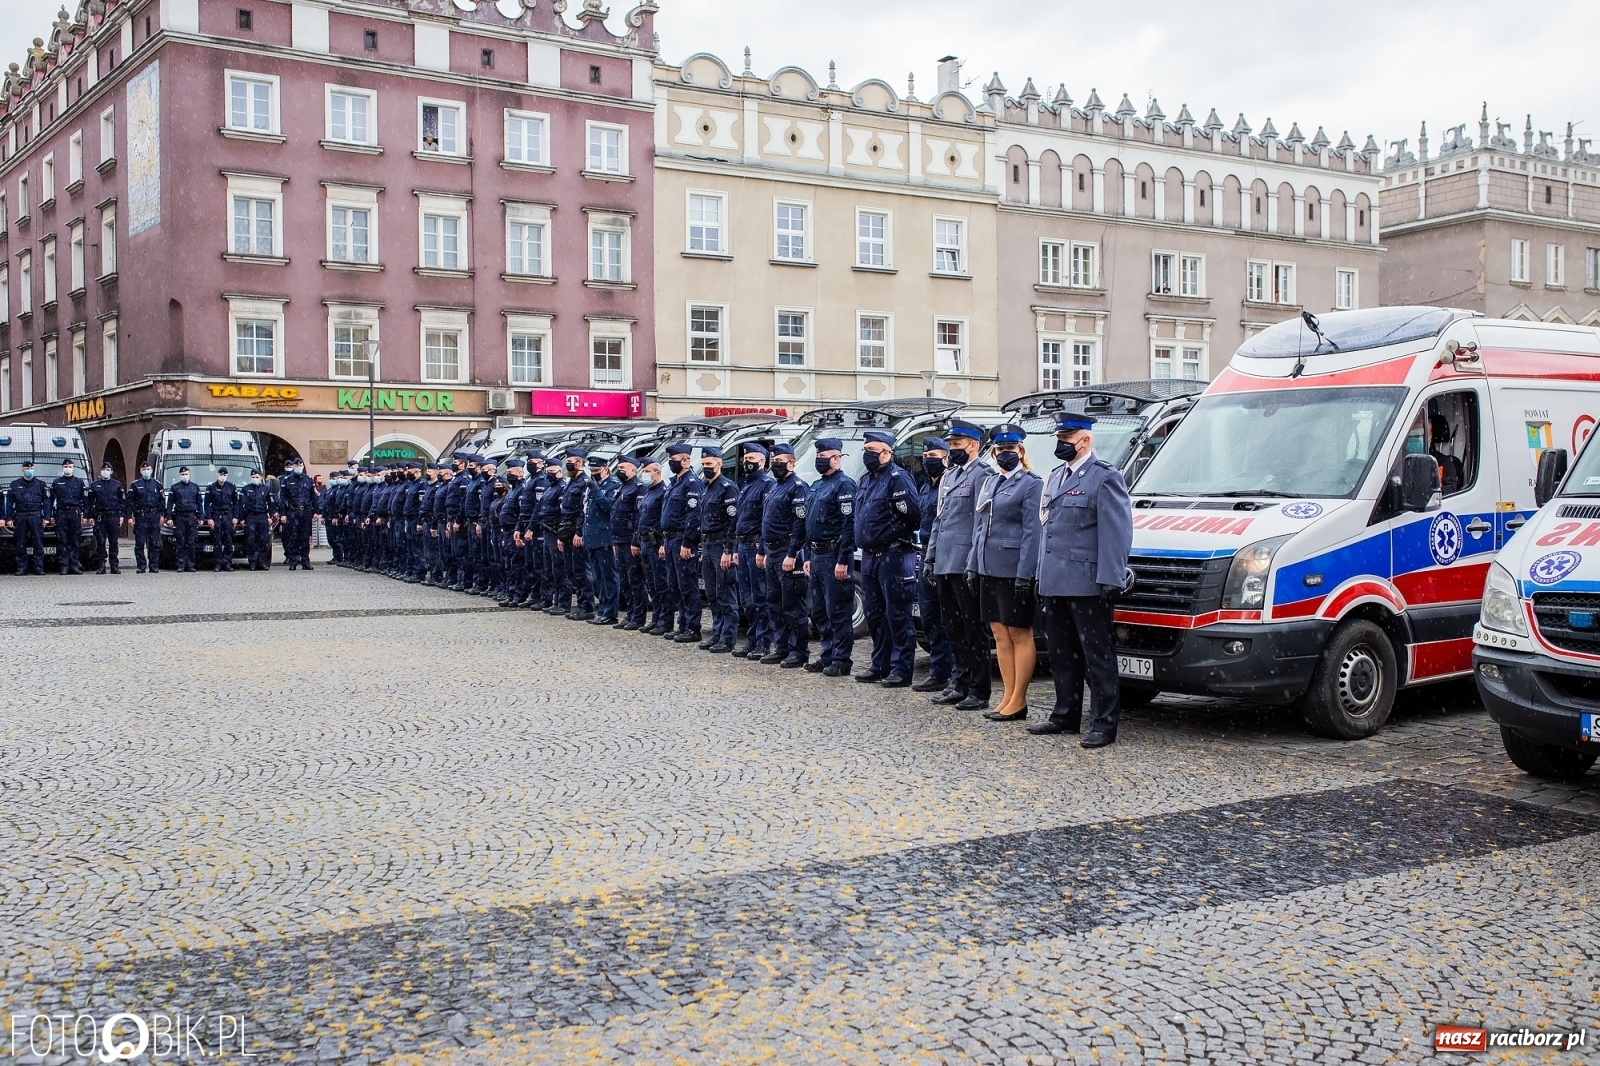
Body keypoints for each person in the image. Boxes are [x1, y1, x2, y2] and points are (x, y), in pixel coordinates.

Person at [1030, 413, 1134, 749]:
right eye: (1059, 439)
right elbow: (1049, 531)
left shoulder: (1104, 478)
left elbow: (1116, 532)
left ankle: (1104, 723)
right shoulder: (1057, 475)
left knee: (1097, 656)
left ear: (1085, 440)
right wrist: (1040, 575)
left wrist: (1111, 577)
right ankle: (1065, 713)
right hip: (1056, 580)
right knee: (1062, 653)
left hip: (1088, 582)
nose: (1061, 445)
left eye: (1066, 439)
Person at [966, 425, 1044, 722]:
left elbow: (1031, 533)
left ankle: (1019, 700)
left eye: (1010, 449)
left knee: (1019, 634)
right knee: (999, 634)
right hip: (989, 567)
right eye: (999, 450)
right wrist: (974, 565)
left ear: (1020, 452)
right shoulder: (991, 482)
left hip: (1014, 569)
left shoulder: (1031, 484)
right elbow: (979, 528)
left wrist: (1026, 573)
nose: (1004, 455)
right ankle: (1007, 696)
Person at [926, 420, 994, 710]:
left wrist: (974, 563)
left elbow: (981, 523)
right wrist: (930, 557)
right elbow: (939, 521)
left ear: (973, 446)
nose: (952, 450)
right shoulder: (949, 476)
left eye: (957, 445)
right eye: (951, 445)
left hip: (964, 562)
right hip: (944, 560)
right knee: (952, 627)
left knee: (973, 629)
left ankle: (979, 689)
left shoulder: (983, 475)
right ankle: (960, 681)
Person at [852, 430, 922, 687]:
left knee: (898, 614)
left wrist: (892, 533)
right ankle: (879, 664)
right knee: (874, 614)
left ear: (886, 452)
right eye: (865, 449)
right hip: (870, 556)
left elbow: (914, 515)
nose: (867, 454)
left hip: (894, 554)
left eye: (872, 449)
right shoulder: (866, 480)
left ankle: (901, 669)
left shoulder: (898, 479)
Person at [802, 437, 857, 677]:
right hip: (816, 555)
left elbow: (849, 525)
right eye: (818, 457)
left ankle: (841, 659)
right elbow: (809, 523)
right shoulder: (817, 485)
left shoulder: (844, 485)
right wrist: (806, 555)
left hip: (834, 554)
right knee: (820, 611)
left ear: (836, 458)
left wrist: (844, 559)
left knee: (838, 611)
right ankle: (827, 655)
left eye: (823, 457)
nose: (819, 461)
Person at [759, 442, 810, 667]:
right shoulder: (774, 487)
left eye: (779, 462)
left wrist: (792, 553)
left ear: (791, 463)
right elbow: (766, 522)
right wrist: (762, 550)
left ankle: (798, 651)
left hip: (787, 550)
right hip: (772, 550)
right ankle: (781, 647)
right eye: (774, 462)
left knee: (792, 605)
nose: (775, 466)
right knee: (774, 602)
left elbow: (800, 524)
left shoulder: (797, 487)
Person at [913, 438, 954, 693]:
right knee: (930, 617)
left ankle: (952, 672)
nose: (928, 459)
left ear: (946, 458)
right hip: (925, 552)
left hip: (946, 553)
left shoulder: (949, 484)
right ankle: (938, 671)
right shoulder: (926, 487)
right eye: (925, 454)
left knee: (948, 617)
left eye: (933, 454)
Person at [732, 443, 776, 658]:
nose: (746, 462)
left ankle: (763, 642)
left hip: (756, 546)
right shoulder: (746, 485)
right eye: (745, 458)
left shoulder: (767, 485)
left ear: (762, 461)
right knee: (746, 599)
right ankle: (752, 639)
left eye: (751, 459)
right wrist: (734, 548)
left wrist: (761, 549)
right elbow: (738, 520)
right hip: (742, 545)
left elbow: (765, 521)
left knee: (760, 598)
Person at [695, 445, 740, 652]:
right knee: (712, 594)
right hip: (706, 544)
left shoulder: (727, 487)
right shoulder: (707, 487)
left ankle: (728, 637)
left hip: (721, 545)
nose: (706, 468)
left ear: (719, 464)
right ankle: (717, 632)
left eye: (709, 464)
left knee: (725, 593)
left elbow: (733, 521)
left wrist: (728, 550)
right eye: (703, 464)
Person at [660, 443, 703, 643]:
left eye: (674, 460)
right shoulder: (674, 482)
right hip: (669, 539)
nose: (671, 463)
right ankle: (683, 623)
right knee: (674, 584)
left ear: (686, 460)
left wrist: (687, 542)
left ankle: (693, 627)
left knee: (687, 584)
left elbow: (693, 516)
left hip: (681, 540)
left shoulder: (691, 483)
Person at [581, 453, 622, 625]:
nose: (594, 473)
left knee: (609, 577)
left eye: (597, 469)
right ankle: (603, 608)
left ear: (605, 469)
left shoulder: (612, 486)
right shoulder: (593, 487)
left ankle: (611, 612)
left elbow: (608, 507)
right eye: (591, 470)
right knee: (597, 577)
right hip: (592, 538)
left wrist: (596, 489)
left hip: (605, 539)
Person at [610, 455, 648, 629]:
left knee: (635, 580)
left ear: (633, 470)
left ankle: (638, 616)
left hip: (630, 541)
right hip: (619, 540)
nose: (620, 471)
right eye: (619, 468)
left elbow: (639, 516)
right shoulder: (622, 488)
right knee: (625, 580)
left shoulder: (638, 489)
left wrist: (635, 541)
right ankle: (630, 614)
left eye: (623, 468)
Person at [635, 459, 672, 635]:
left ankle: (665, 621)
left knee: (661, 584)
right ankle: (656, 618)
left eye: (648, 471)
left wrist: (663, 544)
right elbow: (641, 518)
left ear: (657, 473)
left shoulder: (662, 492)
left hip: (656, 543)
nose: (644, 474)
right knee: (651, 584)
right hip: (644, 542)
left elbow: (664, 521)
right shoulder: (649, 492)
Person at [558, 450, 593, 619]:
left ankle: (587, 606)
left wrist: (579, 532)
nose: (567, 465)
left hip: (577, 532)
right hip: (568, 531)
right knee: (572, 571)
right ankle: (580, 603)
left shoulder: (584, 482)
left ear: (579, 463)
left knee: (581, 571)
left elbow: (583, 511)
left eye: (570, 461)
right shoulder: (571, 482)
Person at [8, 460, 50, 575]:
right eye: (27, 469)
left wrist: (46, 517)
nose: (29, 471)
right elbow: (9, 503)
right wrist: (9, 518)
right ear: (22, 470)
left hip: (35, 516)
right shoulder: (15, 484)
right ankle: (22, 567)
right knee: (21, 543)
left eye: (31, 469)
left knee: (38, 542)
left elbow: (46, 502)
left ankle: (38, 567)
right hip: (20, 516)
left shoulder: (41, 484)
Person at [276, 457, 317, 570]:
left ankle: (305, 561)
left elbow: (313, 497)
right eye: (296, 466)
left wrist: (316, 512)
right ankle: (293, 561)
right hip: (292, 511)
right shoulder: (287, 480)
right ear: (293, 467)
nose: (298, 467)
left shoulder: (308, 480)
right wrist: (283, 513)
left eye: (300, 466)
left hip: (306, 511)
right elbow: (282, 498)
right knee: (293, 537)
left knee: (305, 537)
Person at [49, 459, 89, 575]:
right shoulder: (57, 482)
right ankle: (64, 566)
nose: (68, 468)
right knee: (62, 540)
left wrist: (85, 515)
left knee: (74, 540)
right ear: (62, 468)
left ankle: (74, 565)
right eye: (66, 466)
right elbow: (51, 500)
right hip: (61, 513)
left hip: (74, 513)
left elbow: (84, 499)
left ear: (73, 468)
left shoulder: (79, 482)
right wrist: (51, 515)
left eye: (70, 466)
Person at [89, 461, 127, 575]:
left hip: (113, 516)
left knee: (113, 542)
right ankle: (102, 564)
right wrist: (90, 516)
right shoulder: (95, 485)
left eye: (108, 470)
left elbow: (122, 501)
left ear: (111, 472)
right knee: (100, 542)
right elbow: (89, 502)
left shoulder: (117, 485)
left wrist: (121, 515)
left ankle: (114, 565)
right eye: (103, 470)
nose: (105, 472)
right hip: (100, 516)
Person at [164, 465, 204, 572]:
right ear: (179, 475)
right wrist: (168, 517)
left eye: (186, 474)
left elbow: (200, 503)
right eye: (182, 474)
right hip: (180, 517)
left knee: (191, 541)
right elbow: (170, 503)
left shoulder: (195, 487)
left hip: (192, 517)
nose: (184, 476)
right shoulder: (175, 487)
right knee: (180, 541)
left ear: (189, 474)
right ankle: (181, 564)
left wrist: (201, 517)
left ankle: (191, 564)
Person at [127, 461, 163, 574]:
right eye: (144, 469)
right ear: (140, 471)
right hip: (140, 516)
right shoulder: (135, 485)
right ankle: (141, 566)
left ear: (152, 470)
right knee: (140, 543)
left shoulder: (157, 484)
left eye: (148, 469)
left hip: (154, 516)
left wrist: (162, 515)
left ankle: (153, 566)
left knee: (154, 543)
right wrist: (130, 516)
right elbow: (129, 502)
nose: (146, 471)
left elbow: (162, 501)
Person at [206, 467, 241, 572]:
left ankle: (227, 563)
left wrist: (236, 517)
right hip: (216, 516)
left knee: (228, 541)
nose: (223, 476)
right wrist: (209, 518)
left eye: (225, 475)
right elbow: (206, 504)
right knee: (217, 542)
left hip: (228, 516)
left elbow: (236, 503)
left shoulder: (231, 487)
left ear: (227, 475)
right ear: (217, 475)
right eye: (221, 474)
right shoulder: (211, 487)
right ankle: (217, 564)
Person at [240, 468, 275, 570]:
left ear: (261, 478)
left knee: (263, 540)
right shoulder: (246, 489)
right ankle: (252, 562)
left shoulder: (265, 489)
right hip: (250, 517)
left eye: (257, 477)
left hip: (262, 516)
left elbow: (271, 503)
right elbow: (241, 505)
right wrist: (242, 518)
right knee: (251, 540)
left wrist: (271, 516)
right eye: (253, 477)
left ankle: (262, 561)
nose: (255, 479)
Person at [1429, 412, 1465, 495]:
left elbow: (1450, 490)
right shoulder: (1398, 459)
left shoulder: (1444, 463)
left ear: (1430, 436)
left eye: (1418, 435)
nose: (1414, 438)